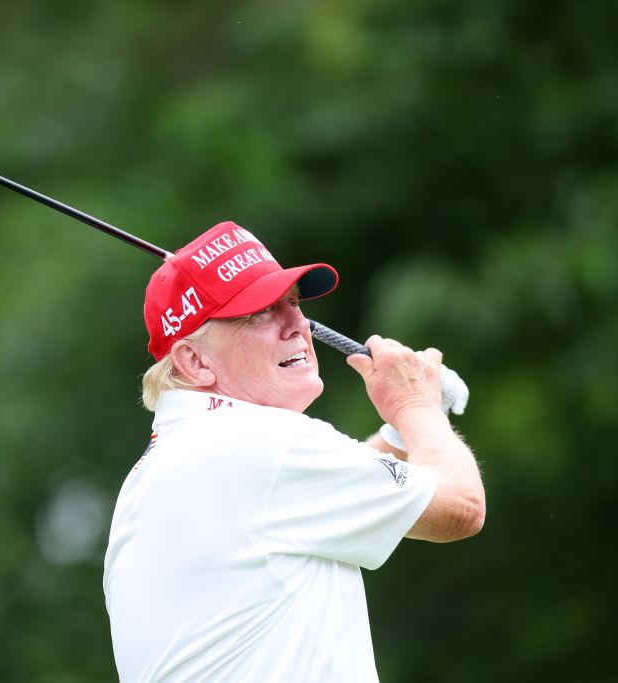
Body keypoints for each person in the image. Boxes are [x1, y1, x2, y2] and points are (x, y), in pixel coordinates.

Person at [103, 221, 485, 682]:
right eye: (258, 314)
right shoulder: (259, 445)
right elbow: (461, 508)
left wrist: (407, 431)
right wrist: (414, 403)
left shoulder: (177, 458)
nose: (298, 325)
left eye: (293, 303)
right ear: (194, 361)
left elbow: (335, 484)